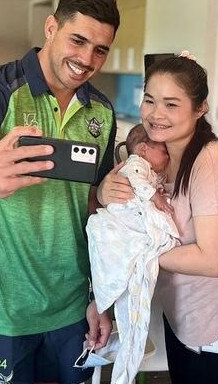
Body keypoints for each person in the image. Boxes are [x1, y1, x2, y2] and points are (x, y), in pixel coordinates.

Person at [0, 0, 120, 384]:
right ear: (51, 27)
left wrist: (99, 296)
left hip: (72, 309)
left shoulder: (100, 110)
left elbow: (95, 209)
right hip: (3, 309)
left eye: (100, 50)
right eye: (78, 40)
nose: (87, 59)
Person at [98, 52, 218, 383]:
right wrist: (107, 192)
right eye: (149, 101)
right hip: (185, 310)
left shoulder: (213, 162)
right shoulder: (160, 161)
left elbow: (213, 260)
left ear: (200, 108)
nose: (156, 114)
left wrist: (136, 255)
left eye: (171, 104)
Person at [86, 123, 179, 384]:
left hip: (128, 225)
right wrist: (155, 198)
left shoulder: (147, 169)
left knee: (133, 320)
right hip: (120, 223)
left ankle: (124, 372)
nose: (168, 156)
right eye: (164, 150)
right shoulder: (137, 164)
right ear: (143, 149)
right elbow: (138, 183)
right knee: (133, 318)